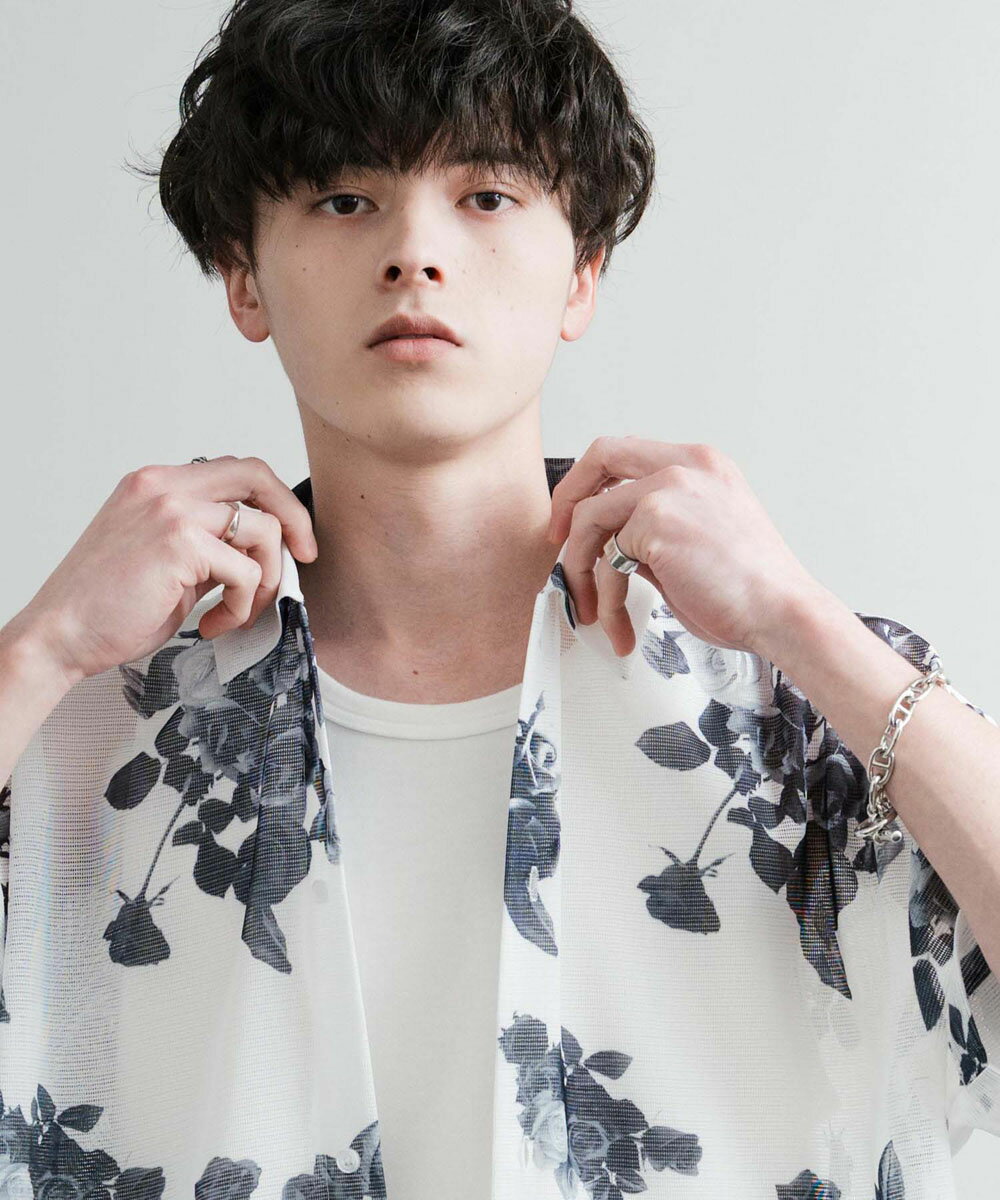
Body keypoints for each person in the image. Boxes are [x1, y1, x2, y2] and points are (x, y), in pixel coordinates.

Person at [1, 1, 998, 1197]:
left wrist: (802, 623)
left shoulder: (790, 702)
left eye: (484, 196)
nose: (413, 253)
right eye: (343, 199)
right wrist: (37, 650)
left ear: (582, 274)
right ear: (242, 278)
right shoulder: (91, 720)